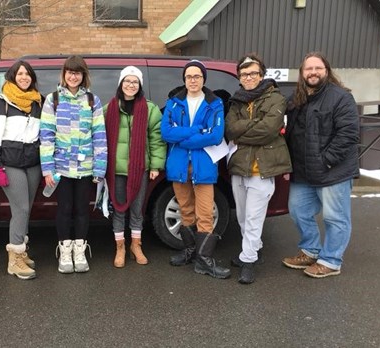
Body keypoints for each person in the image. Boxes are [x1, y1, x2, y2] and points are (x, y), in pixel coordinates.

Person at [282, 52, 359, 278]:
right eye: (308, 69)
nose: (313, 72)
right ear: (302, 73)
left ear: (327, 71)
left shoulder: (340, 97)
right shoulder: (297, 98)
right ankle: (310, 250)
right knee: (298, 211)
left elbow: (349, 134)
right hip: (304, 172)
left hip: (332, 171)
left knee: (335, 217)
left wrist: (325, 161)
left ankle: (331, 260)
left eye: (318, 68)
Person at [225, 54, 292, 284]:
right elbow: (230, 129)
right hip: (239, 167)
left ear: (262, 75)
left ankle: (249, 260)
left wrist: (245, 131)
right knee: (243, 217)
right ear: (239, 78)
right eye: (244, 74)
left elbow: (269, 130)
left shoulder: (276, 98)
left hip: (262, 169)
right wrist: (252, 127)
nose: (249, 77)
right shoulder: (236, 102)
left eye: (253, 73)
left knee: (254, 218)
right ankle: (255, 249)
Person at [161, 59, 231, 280]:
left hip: (204, 164)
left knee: (205, 213)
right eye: (189, 76)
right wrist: (195, 132)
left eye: (197, 76)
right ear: (184, 79)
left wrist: (184, 138)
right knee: (186, 210)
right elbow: (166, 133)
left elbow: (216, 135)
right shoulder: (173, 103)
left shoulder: (215, 103)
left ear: (203, 79)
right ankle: (191, 251)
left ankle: (205, 260)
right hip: (180, 164)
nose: (193, 80)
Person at [40, 55, 107, 274]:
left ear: (83, 75)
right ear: (64, 74)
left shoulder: (91, 100)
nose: (73, 76)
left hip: (86, 167)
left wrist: (99, 168)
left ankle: (80, 250)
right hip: (61, 168)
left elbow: (99, 135)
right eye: (69, 72)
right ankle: (65, 251)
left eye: (77, 72)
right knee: (64, 209)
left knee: (81, 210)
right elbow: (47, 136)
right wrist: (47, 168)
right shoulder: (53, 100)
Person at [103, 66, 166, 268]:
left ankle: (136, 245)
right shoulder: (109, 109)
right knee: (119, 210)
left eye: (135, 82)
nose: (131, 85)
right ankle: (120, 247)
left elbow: (156, 139)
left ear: (139, 86)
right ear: (121, 84)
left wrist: (155, 165)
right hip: (116, 170)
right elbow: (99, 138)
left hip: (140, 169)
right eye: (127, 81)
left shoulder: (150, 109)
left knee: (137, 210)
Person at [0, 60, 42, 280]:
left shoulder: (38, 101)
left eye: (27, 74)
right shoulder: (2, 102)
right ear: (12, 77)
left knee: (26, 209)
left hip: (33, 163)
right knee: (20, 209)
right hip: (10, 163)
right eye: (20, 74)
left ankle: (22, 250)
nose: (24, 77)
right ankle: (14, 260)